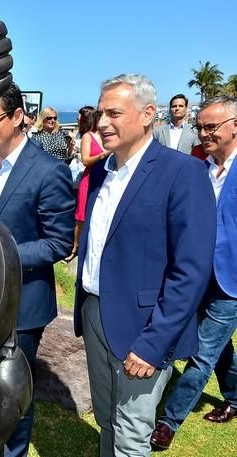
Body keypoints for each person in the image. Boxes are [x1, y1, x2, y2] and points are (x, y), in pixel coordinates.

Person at [74, 74, 215, 457]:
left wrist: (155, 343)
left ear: (149, 113)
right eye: (101, 112)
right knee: (107, 421)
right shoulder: (101, 170)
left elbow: (191, 269)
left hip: (143, 328)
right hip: (94, 312)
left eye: (114, 113)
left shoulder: (182, 173)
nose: (102, 122)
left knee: (131, 435)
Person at [0, 83, 75, 457]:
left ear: (17, 117)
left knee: (12, 396)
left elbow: (59, 243)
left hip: (21, 307)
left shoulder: (49, 172)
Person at [151, 97, 237, 450]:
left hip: (231, 281)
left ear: (235, 125)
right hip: (197, 275)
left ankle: (167, 422)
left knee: (202, 353)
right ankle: (234, 396)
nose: (202, 134)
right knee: (219, 348)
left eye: (210, 127)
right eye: (199, 127)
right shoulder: (201, 170)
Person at [65, 106, 110, 262]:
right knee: (81, 215)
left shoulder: (107, 136)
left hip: (105, 178)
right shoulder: (88, 137)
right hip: (90, 177)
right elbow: (85, 160)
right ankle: (75, 247)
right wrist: (104, 154)